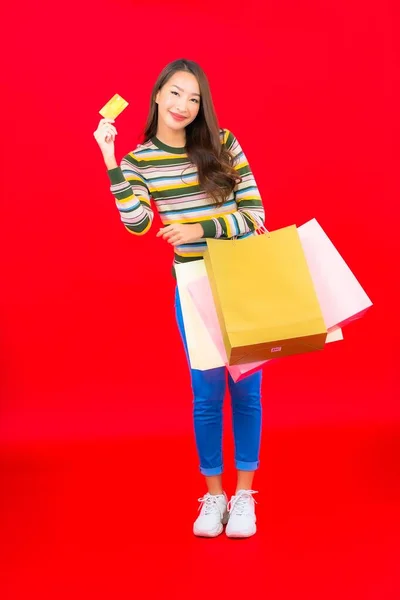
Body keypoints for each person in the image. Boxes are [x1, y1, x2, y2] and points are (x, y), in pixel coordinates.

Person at [94, 59, 266, 538]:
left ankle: (245, 496)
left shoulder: (223, 143)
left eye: (193, 98)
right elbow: (139, 225)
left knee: (246, 392)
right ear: (156, 95)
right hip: (193, 282)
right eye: (175, 93)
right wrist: (111, 161)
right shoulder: (138, 161)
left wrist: (197, 227)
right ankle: (214, 497)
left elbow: (253, 217)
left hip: (243, 276)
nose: (183, 106)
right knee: (207, 396)